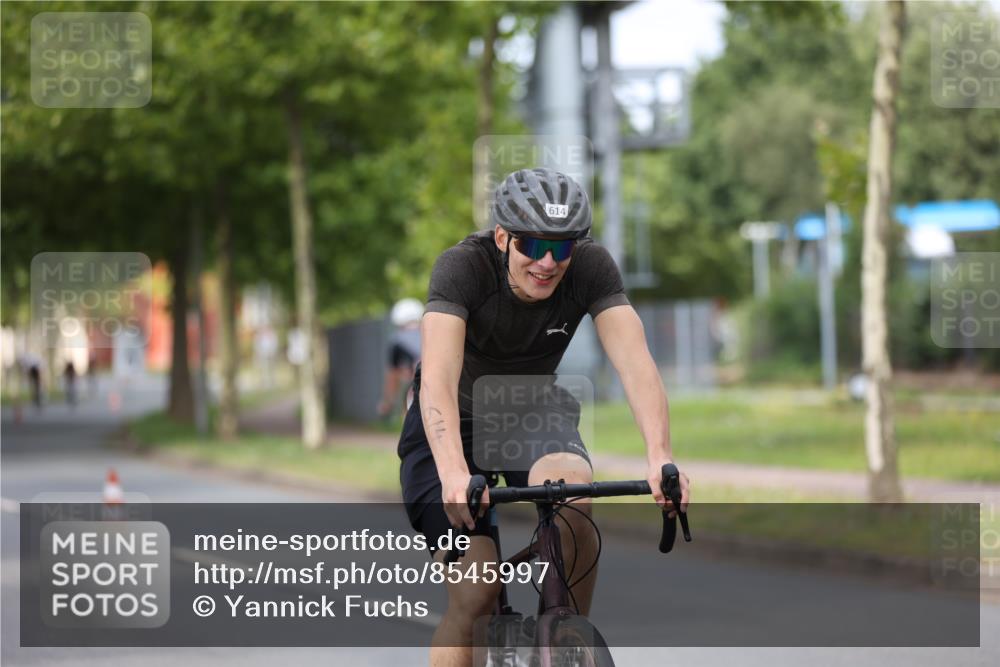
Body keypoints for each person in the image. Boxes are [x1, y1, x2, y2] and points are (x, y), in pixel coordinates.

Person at [397, 167, 690, 666]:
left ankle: (565, 636)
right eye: (533, 245)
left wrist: (661, 457)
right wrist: (452, 473)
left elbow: (636, 364)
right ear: (502, 237)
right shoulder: (462, 268)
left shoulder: (591, 268)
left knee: (575, 495)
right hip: (449, 426)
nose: (549, 261)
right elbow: (439, 383)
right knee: (476, 595)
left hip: (530, 408)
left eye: (563, 246)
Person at [377, 298, 424, 418]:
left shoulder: (397, 341)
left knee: (409, 422)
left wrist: (388, 402)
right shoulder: (432, 333)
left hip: (415, 389)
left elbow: (392, 375)